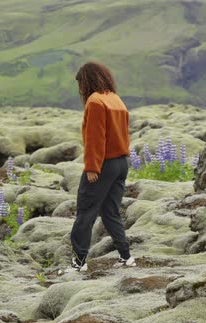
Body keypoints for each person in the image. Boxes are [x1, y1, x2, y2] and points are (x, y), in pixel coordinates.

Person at [69, 62, 136, 272]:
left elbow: (95, 138)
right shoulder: (115, 99)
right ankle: (126, 257)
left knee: (85, 212)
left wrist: (92, 167)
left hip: (103, 164)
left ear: (87, 80)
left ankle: (79, 262)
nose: (80, 88)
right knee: (110, 212)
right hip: (121, 163)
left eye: (80, 83)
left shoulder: (95, 101)